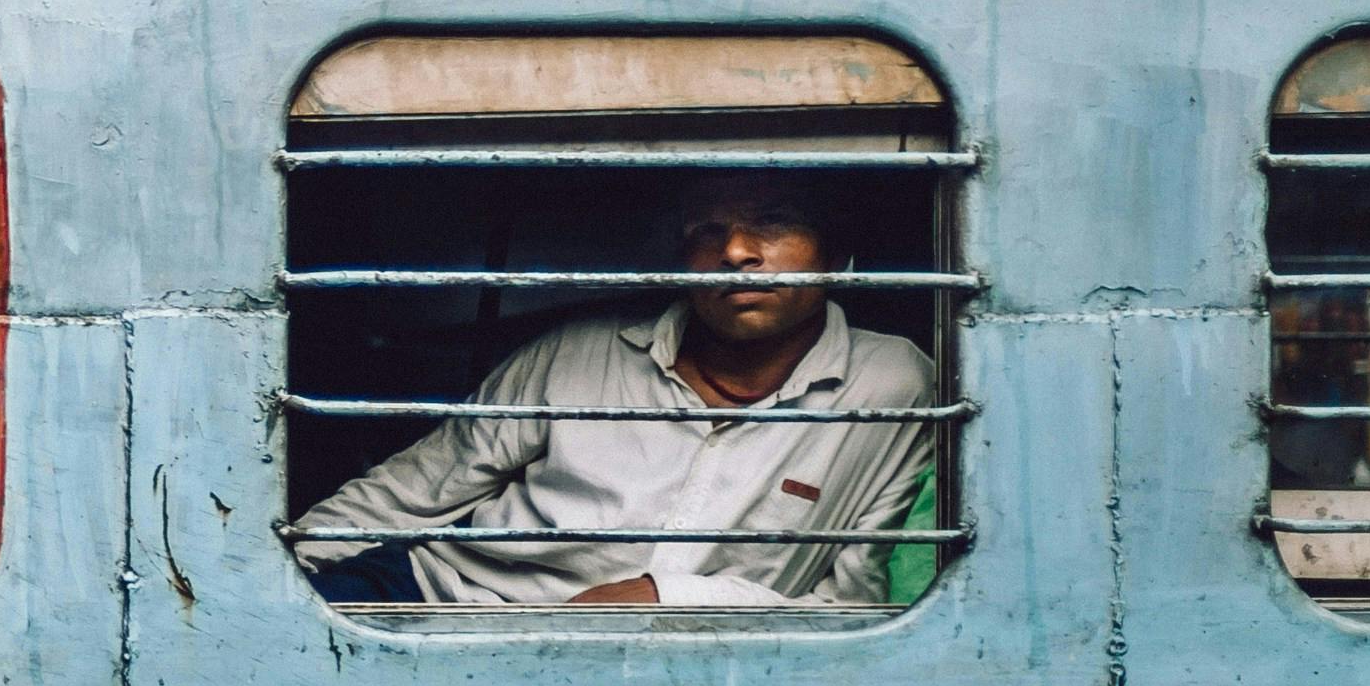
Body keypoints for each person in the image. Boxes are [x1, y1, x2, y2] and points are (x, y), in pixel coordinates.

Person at [294, 175, 937, 608]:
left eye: (773, 223)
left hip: (691, 673)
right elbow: (417, 489)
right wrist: (274, 577)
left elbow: (851, 603)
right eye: (704, 232)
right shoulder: (582, 350)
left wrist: (668, 595)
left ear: (838, 252)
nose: (736, 251)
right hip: (446, 602)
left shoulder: (891, 384)